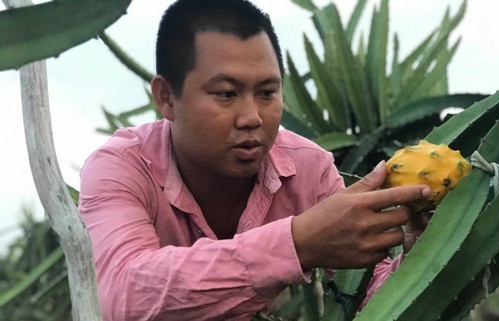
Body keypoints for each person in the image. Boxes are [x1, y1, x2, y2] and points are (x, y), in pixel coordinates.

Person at [78, 0, 431, 320]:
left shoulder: (309, 170)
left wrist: (418, 259)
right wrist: (297, 244)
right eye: (226, 94)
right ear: (166, 97)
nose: (252, 117)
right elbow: (121, 296)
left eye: (267, 93)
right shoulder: (121, 167)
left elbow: (366, 292)